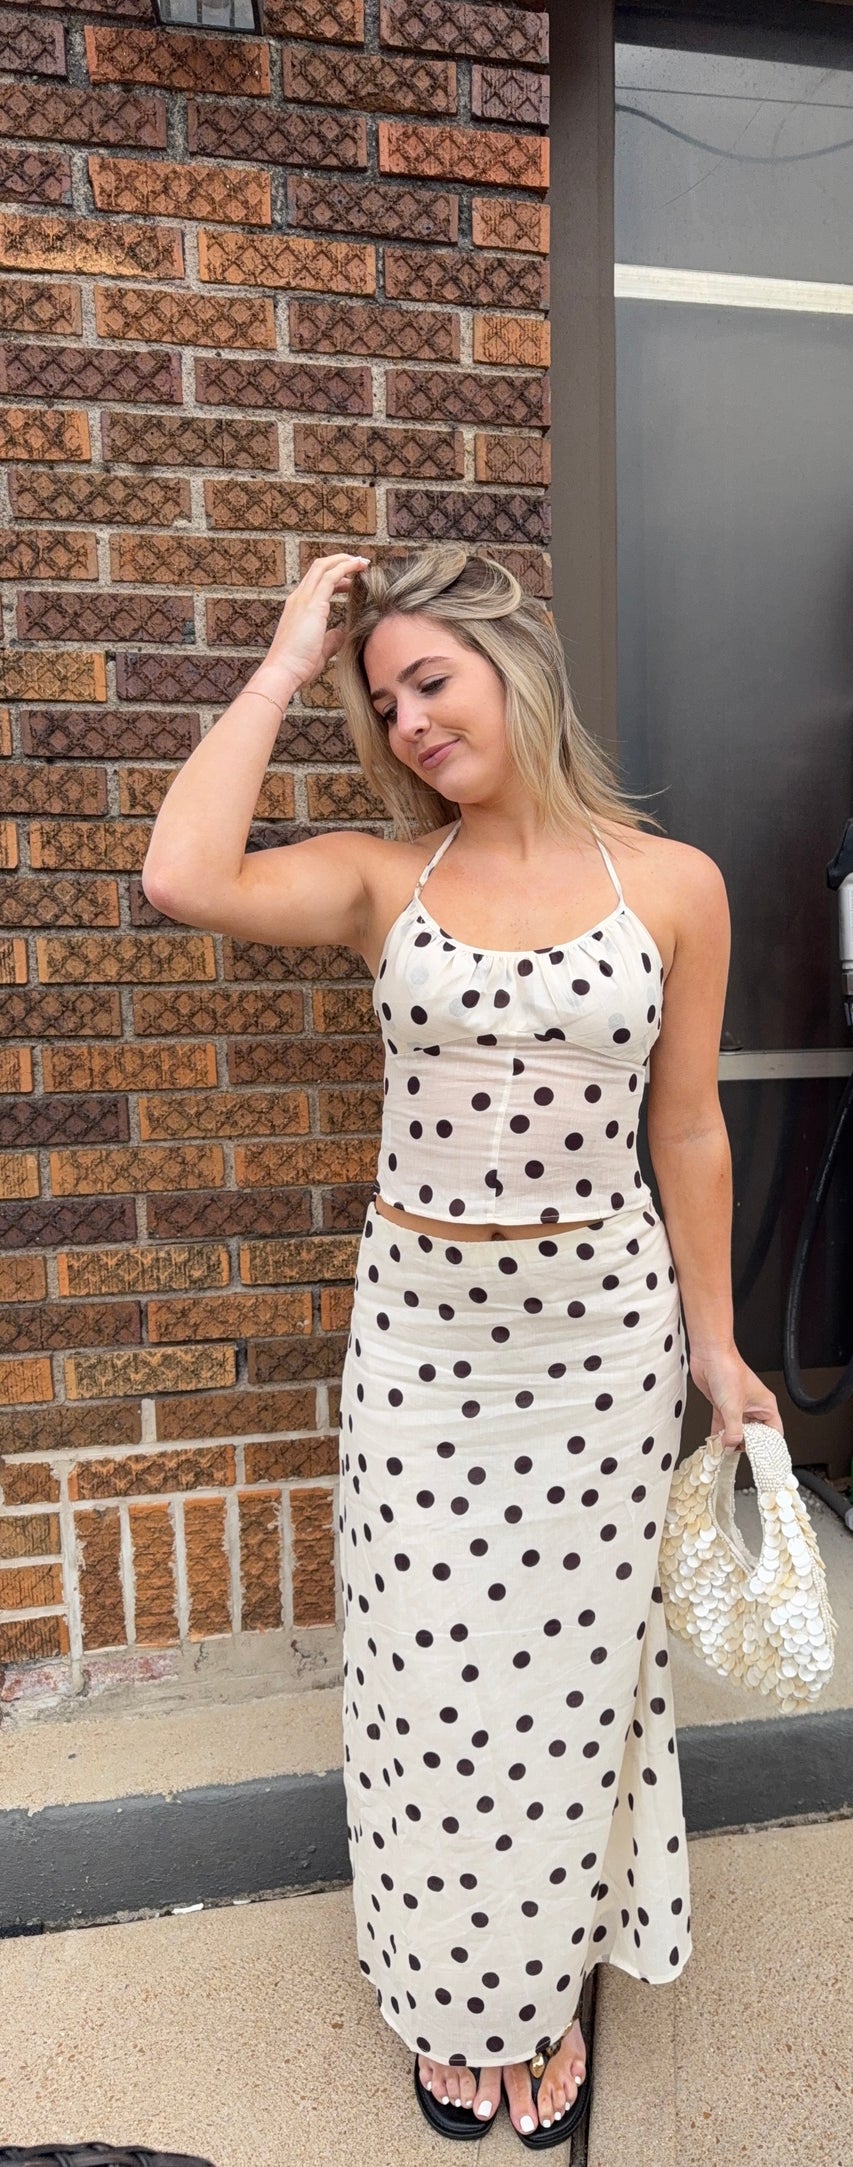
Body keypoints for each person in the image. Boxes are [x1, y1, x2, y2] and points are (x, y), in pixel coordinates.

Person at [142, 544, 782, 2145]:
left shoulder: (674, 883)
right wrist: (291, 662)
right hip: (425, 1340)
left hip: (599, 1347)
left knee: (568, 1687)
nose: (412, 720)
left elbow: (689, 1129)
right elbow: (184, 875)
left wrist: (717, 1346)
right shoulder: (382, 876)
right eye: (386, 700)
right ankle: (458, 2002)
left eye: (434, 679)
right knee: (429, 1682)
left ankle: (539, 1987)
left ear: (519, 667)